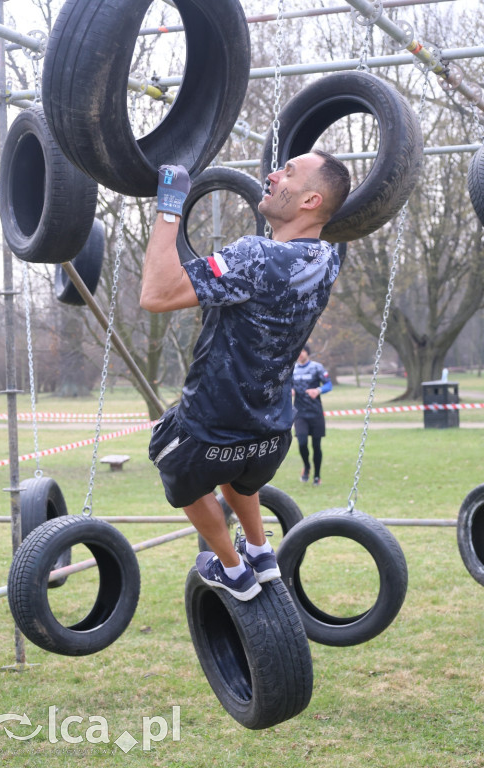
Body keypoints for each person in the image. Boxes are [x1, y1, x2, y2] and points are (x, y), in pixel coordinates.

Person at [140, 150, 350, 601]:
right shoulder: (327, 260)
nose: (271, 175)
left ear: (311, 200)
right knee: (235, 475)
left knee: (167, 452)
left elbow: (157, 294)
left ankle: (233, 570)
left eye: (287, 172)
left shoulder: (254, 256)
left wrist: (170, 205)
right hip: (271, 436)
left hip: (208, 431)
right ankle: (259, 550)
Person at [292, 345, 332, 485]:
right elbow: (286, 385)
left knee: (316, 445)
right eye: (298, 351)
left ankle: (317, 475)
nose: (300, 354)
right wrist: (290, 390)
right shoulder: (292, 368)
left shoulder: (316, 367)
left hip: (315, 412)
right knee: (302, 443)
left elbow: (329, 385)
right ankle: (307, 467)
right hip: (300, 413)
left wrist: (318, 390)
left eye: (303, 351)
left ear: (307, 353)